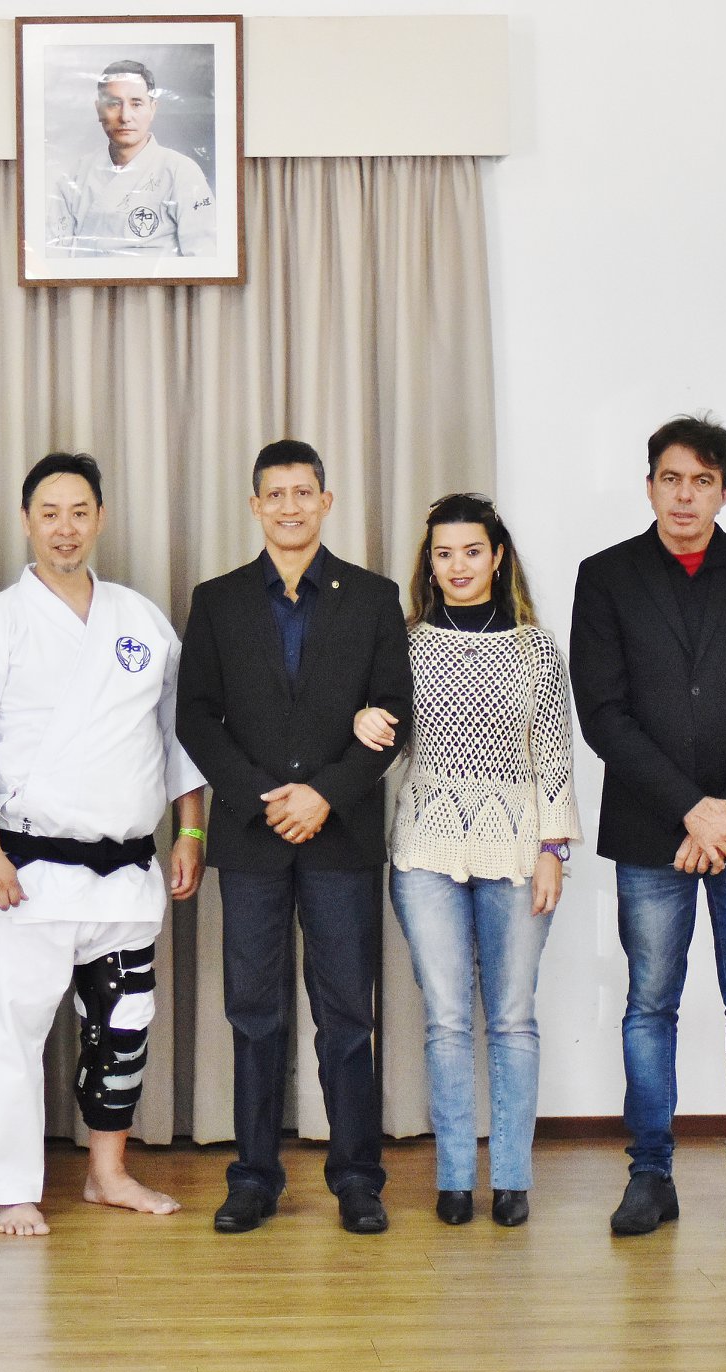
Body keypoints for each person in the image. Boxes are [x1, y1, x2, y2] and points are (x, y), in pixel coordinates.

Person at [0, 453, 206, 1237]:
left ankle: (107, 1173)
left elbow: (180, 736)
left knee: (122, 1028)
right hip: (29, 870)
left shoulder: (140, 621)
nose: (65, 528)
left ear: (100, 519)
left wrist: (190, 829)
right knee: (12, 1031)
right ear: (27, 521)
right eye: (50, 513)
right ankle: (8, 1186)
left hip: (126, 869)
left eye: (79, 512)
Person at [569, 415, 726, 1241]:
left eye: (702, 481)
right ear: (649, 486)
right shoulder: (606, 576)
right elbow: (603, 713)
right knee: (649, 1005)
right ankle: (649, 1175)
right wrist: (690, 808)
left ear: (725, 492)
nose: (684, 496)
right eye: (671, 479)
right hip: (651, 831)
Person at [176, 440, 413, 1235]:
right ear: (255, 506)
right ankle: (253, 1176)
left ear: (325, 502)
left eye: (302, 492)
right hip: (251, 837)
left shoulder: (373, 598)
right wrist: (263, 798)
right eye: (274, 494)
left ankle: (357, 1178)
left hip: (340, 836)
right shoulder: (217, 600)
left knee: (346, 1013)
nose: (289, 506)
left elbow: (393, 713)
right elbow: (195, 716)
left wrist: (323, 796)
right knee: (253, 1012)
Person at [352, 494, 581, 1228]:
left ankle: (511, 1178)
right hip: (425, 852)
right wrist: (359, 717)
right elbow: (383, 744)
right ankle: (454, 1178)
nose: (458, 566)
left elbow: (554, 757)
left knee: (512, 1018)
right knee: (447, 1020)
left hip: (518, 852)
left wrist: (553, 849)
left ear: (498, 557)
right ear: (430, 563)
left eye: (472, 552)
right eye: (444, 554)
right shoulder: (404, 644)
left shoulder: (535, 649)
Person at [44, 59, 216, 258]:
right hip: (86, 278)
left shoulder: (181, 171)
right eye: (114, 104)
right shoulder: (76, 175)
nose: (125, 116)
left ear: (152, 108)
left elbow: (204, 257)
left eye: (136, 104)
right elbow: (55, 254)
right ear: (99, 109)